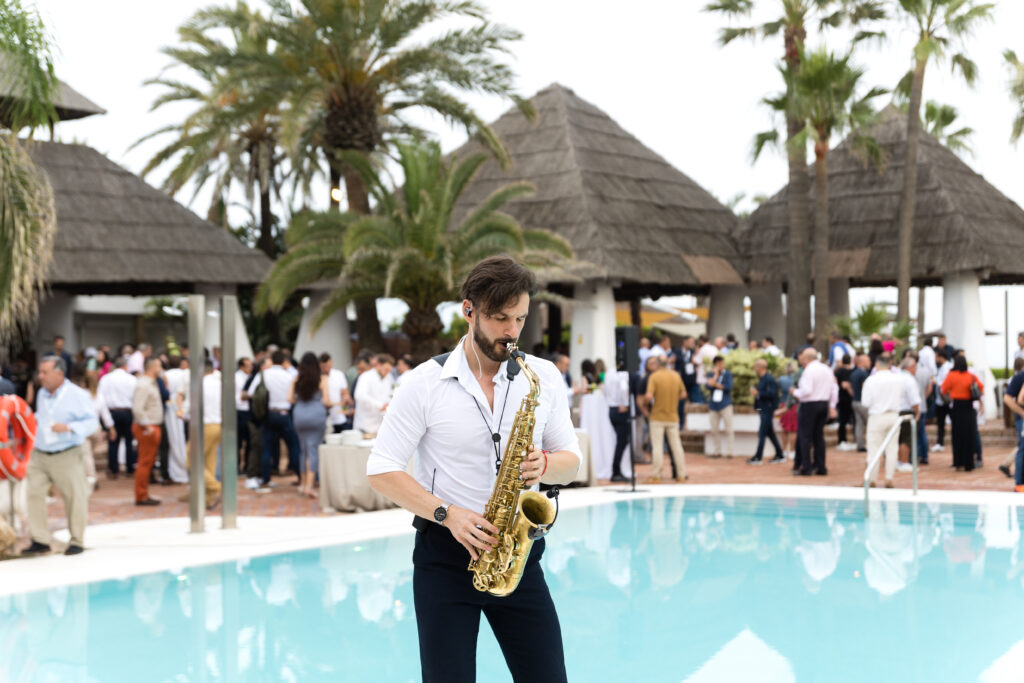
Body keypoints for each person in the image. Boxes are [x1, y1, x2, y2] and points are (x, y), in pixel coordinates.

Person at [366, 256, 580, 682]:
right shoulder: (424, 383)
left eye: (519, 318)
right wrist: (449, 514)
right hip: (445, 558)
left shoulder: (543, 376)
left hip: (519, 557)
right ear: (469, 311)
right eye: (500, 318)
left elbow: (571, 464)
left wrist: (546, 463)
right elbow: (381, 469)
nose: (512, 332)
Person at [21, 356, 98, 556]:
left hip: (67, 453)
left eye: (45, 372)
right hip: (40, 454)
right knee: (34, 495)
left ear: (59, 373)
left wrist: (70, 427)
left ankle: (77, 540)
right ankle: (40, 539)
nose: (41, 377)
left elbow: (92, 422)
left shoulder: (77, 395)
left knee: (74, 497)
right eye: (40, 372)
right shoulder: (42, 394)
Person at [861, 355, 917, 488]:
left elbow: (865, 402)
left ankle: (872, 479)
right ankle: (889, 478)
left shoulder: (871, 380)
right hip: (893, 415)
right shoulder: (898, 379)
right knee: (892, 448)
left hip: (877, 415)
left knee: (873, 449)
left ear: (877, 365)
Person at [250, 350, 302, 489]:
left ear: (272, 361)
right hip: (285, 414)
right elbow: (296, 395)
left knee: (267, 447)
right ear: (284, 361)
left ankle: (266, 479)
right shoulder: (289, 375)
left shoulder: (264, 374)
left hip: (269, 414)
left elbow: (250, 393)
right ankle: (300, 476)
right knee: (294, 446)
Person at [290, 352, 332, 498]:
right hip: (316, 415)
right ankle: (309, 486)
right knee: (313, 450)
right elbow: (326, 401)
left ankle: (302, 485)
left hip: (299, 414)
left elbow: (289, 398)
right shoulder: (322, 379)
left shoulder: (296, 379)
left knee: (303, 450)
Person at [792, 348, 838, 476]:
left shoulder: (809, 370)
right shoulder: (826, 369)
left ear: (807, 358)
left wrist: (795, 392)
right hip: (823, 404)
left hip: (810, 405)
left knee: (805, 436)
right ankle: (820, 466)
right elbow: (834, 388)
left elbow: (807, 390)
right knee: (818, 437)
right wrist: (832, 405)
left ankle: (806, 467)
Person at [131, 357, 164, 506]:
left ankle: (143, 494)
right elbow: (138, 408)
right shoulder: (144, 385)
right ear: (153, 367)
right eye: (159, 366)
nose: (161, 369)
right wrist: (148, 426)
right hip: (147, 428)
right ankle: (141, 495)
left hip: (151, 426)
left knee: (148, 462)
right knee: (145, 462)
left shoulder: (152, 383)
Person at [940, 355, 983, 472]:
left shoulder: (951, 375)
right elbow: (981, 388)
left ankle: (958, 462)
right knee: (969, 436)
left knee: (957, 436)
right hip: (969, 407)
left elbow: (943, 389)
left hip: (957, 408)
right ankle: (969, 463)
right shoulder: (971, 376)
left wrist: (951, 394)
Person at [97, 356, 137, 477]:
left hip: (112, 412)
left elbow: (101, 398)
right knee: (129, 442)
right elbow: (136, 398)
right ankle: (130, 469)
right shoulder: (132, 379)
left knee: (113, 442)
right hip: (128, 412)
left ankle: (113, 469)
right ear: (125, 366)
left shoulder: (106, 379)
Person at [749, 359, 784, 464]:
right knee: (770, 433)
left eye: (756, 367)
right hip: (762, 408)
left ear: (761, 367)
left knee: (762, 433)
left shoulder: (769, 379)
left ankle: (758, 457)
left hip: (767, 409)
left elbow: (772, 394)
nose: (755, 369)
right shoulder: (763, 379)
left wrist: (757, 393)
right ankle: (780, 454)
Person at [603, 361, 632, 482]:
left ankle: (616, 469)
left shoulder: (609, 372)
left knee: (621, 441)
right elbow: (624, 388)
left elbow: (604, 390)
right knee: (622, 441)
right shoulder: (623, 374)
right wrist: (624, 403)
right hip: (620, 409)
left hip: (611, 410)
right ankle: (616, 471)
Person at [353, 353, 395, 435]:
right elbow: (360, 396)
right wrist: (379, 405)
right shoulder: (366, 376)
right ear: (378, 365)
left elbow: (391, 395)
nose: (387, 372)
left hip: (380, 424)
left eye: (389, 370)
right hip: (365, 424)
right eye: (386, 369)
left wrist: (388, 404)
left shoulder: (389, 378)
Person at [999, 357, 1024, 486]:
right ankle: (1019, 484)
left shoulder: (1017, 377)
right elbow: (1013, 399)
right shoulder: (1019, 377)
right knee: (1022, 448)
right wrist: (1022, 413)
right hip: (1021, 419)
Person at [706, 356, 734, 459]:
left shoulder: (728, 374)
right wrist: (716, 376)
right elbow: (708, 386)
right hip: (714, 405)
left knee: (729, 429)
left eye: (722, 363)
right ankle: (717, 451)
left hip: (725, 404)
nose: (721, 365)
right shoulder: (711, 374)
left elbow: (728, 387)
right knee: (714, 429)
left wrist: (715, 384)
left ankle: (730, 451)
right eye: (719, 364)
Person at [320, 353, 352, 433]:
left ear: (331, 362)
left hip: (338, 416)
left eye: (327, 366)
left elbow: (345, 394)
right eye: (324, 367)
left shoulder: (338, 375)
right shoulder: (317, 376)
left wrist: (345, 408)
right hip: (322, 417)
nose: (326, 369)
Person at [775, 360, 799, 459]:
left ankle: (784, 450)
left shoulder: (781, 379)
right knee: (793, 430)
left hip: (784, 404)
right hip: (794, 405)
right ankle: (792, 451)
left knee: (785, 429)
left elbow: (777, 391)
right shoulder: (797, 379)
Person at [850, 353, 871, 452]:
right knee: (870, 423)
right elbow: (865, 388)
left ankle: (860, 444)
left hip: (855, 401)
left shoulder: (853, 373)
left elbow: (851, 388)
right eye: (868, 361)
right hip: (862, 403)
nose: (869, 363)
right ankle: (871, 444)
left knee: (859, 424)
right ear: (862, 362)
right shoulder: (863, 374)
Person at [932, 350, 952, 451]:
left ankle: (941, 442)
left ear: (941, 357)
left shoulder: (947, 367)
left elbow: (943, 383)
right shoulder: (942, 368)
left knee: (943, 422)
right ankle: (940, 443)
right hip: (941, 400)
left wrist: (935, 381)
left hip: (946, 400)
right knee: (940, 423)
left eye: (937, 357)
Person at [834, 354, 855, 450]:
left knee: (842, 421)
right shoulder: (847, 372)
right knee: (845, 420)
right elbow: (845, 385)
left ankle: (843, 440)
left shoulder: (838, 371)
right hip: (846, 399)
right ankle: (842, 441)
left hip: (840, 398)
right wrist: (852, 394)